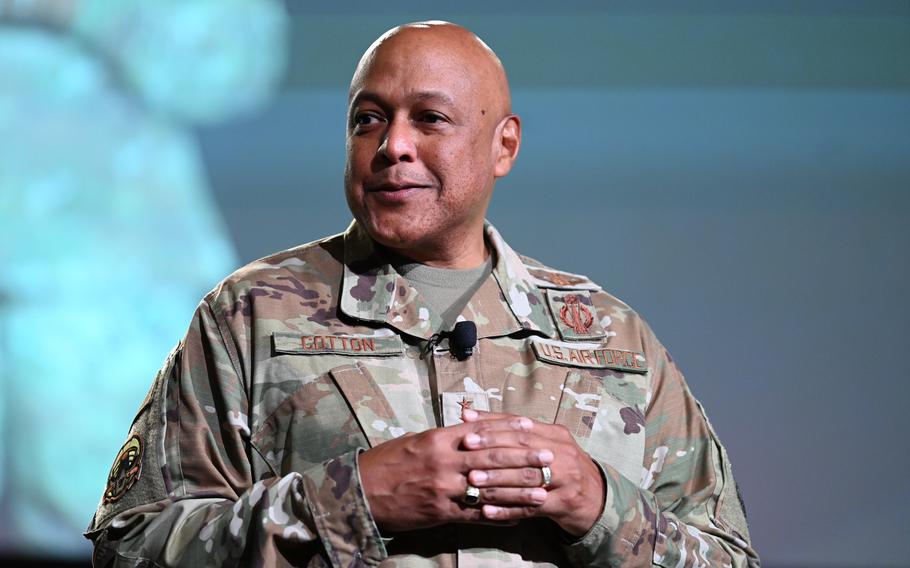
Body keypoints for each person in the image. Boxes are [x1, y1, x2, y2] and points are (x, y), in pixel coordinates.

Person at [86, 21, 760, 567]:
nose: (392, 146)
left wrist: (595, 503)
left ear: (504, 146)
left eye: (430, 119)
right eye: (368, 120)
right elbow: (132, 549)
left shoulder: (609, 338)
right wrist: (355, 499)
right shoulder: (250, 316)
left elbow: (729, 560)